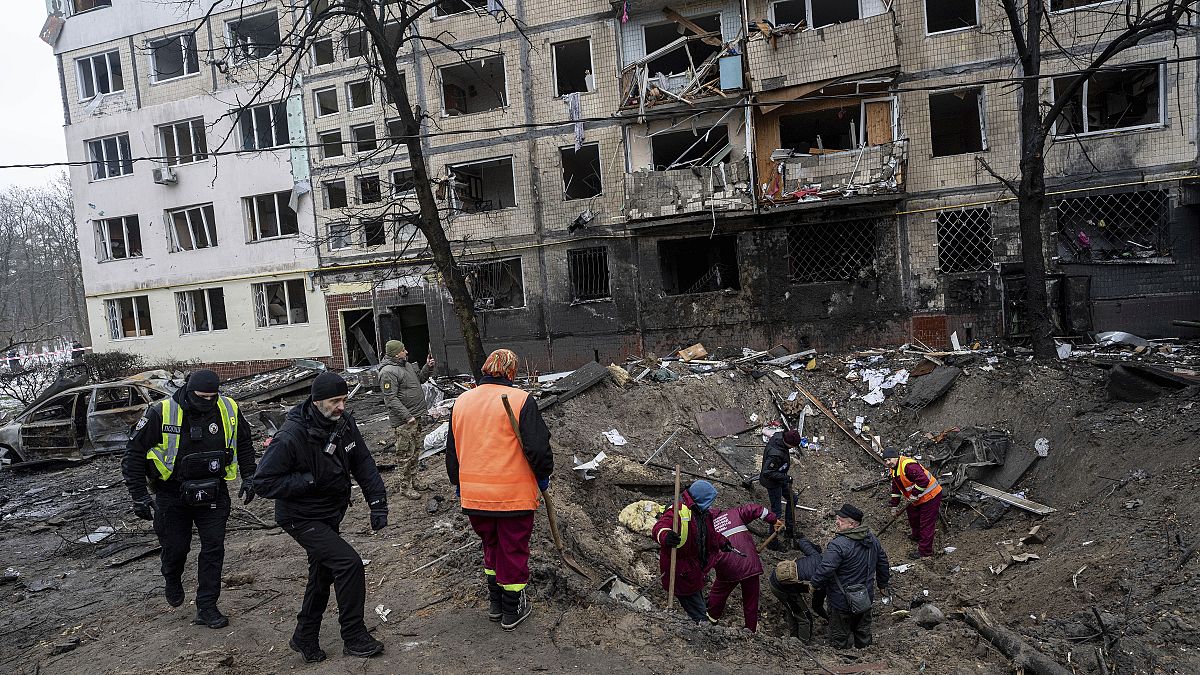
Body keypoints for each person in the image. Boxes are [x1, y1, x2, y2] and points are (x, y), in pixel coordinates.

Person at [255, 372, 388, 663]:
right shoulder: (291, 436)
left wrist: (378, 502)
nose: (341, 406)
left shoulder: (343, 423)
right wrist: (307, 481)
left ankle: (305, 636)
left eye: (344, 400)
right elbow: (262, 482)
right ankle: (354, 636)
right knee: (348, 564)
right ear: (316, 401)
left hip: (329, 512)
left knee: (322, 573)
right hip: (300, 517)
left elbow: (363, 462)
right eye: (335, 401)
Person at [122, 369, 256, 629]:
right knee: (176, 548)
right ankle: (172, 577)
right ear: (189, 390)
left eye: (212, 396)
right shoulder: (161, 412)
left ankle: (207, 606)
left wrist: (250, 476)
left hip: (214, 491)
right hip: (172, 493)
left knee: (213, 549)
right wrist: (139, 495)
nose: (208, 401)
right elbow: (134, 454)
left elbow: (244, 443)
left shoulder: (228, 408)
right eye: (202, 397)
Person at [446, 348, 552, 631]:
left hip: (474, 497)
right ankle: (512, 609)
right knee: (512, 550)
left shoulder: (462, 401)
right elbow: (538, 449)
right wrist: (543, 476)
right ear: (511, 371)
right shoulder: (520, 400)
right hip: (512, 497)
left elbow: (452, 451)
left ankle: (496, 604)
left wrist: (458, 484)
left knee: (491, 546)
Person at [810, 504, 891, 649]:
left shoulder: (838, 545)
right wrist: (882, 584)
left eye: (841, 520)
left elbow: (825, 569)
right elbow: (883, 562)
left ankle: (840, 657)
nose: (837, 522)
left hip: (840, 601)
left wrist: (814, 584)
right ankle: (866, 656)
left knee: (839, 637)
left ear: (852, 524)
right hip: (864, 598)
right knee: (863, 633)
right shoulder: (871, 539)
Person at [653, 480, 730, 624]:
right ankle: (702, 626)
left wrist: (722, 541)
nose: (711, 505)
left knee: (696, 598)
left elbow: (708, 533)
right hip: (681, 571)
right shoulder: (678, 511)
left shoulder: (702, 513)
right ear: (701, 499)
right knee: (696, 607)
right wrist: (666, 535)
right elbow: (659, 527)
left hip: (694, 568)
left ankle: (702, 619)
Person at [707, 502, 783, 631]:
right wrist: (774, 520)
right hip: (750, 564)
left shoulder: (707, 528)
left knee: (718, 594)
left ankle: (710, 620)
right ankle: (750, 630)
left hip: (727, 567)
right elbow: (756, 509)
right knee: (751, 600)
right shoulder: (734, 513)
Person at [378, 340, 435, 500]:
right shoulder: (388, 372)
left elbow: (420, 379)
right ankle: (405, 487)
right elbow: (390, 399)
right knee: (404, 455)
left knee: (415, 451)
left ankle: (415, 481)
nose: (406, 352)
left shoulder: (406, 365)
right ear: (396, 353)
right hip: (405, 421)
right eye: (403, 350)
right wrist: (407, 416)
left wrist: (428, 367)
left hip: (415, 416)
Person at [883, 447, 943, 558]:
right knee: (913, 516)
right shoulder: (894, 469)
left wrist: (914, 494)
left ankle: (925, 552)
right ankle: (917, 535)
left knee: (926, 524)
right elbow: (896, 488)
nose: (887, 463)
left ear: (896, 457)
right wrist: (894, 505)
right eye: (885, 460)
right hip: (916, 498)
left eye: (889, 459)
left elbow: (923, 480)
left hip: (931, 496)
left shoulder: (908, 465)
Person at [767, 537, 827, 642]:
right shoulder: (821, 581)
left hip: (776, 578)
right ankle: (802, 644)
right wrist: (827, 617)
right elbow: (817, 606)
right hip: (782, 589)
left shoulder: (816, 556)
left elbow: (802, 541)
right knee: (805, 618)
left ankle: (793, 638)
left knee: (793, 611)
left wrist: (817, 548)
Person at [759, 429, 801, 550]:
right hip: (772, 482)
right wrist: (785, 477)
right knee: (776, 512)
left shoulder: (780, 436)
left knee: (793, 498)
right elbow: (767, 472)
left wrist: (784, 477)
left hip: (780, 478)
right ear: (789, 443)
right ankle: (772, 541)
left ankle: (789, 529)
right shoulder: (775, 454)